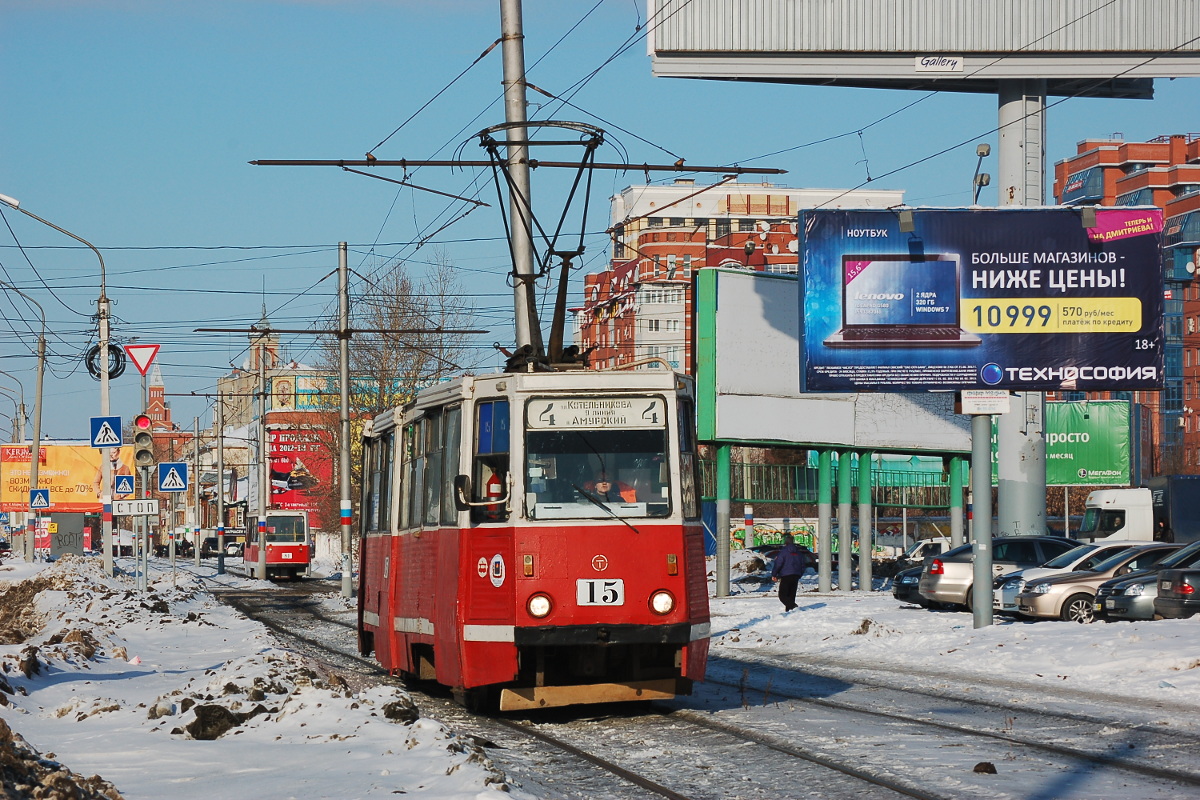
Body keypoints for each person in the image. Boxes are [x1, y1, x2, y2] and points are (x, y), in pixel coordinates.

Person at [771, 533, 814, 612]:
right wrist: (799, 574)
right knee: (791, 596)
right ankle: (790, 612)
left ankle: (794, 607)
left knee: (782, 596)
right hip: (796, 575)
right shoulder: (799, 553)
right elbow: (803, 565)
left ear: (785, 542)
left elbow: (778, 564)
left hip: (786, 576)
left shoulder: (783, 552)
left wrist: (774, 574)